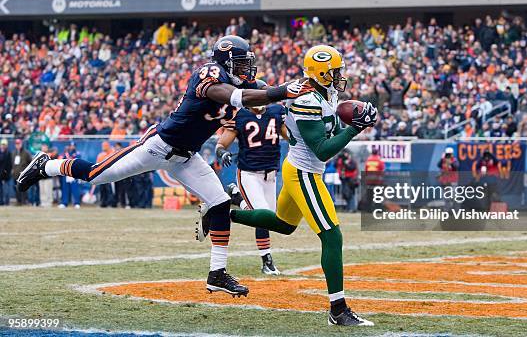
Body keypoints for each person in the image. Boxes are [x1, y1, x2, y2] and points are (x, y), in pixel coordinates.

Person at [17, 35, 314, 297]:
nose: (246, 68)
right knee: (96, 175)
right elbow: (238, 96)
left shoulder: (241, 82)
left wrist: (299, 91)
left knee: (221, 204)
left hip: (187, 157)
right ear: (225, 61)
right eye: (240, 62)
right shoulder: (209, 74)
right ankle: (47, 165)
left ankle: (217, 274)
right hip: (158, 147)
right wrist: (281, 91)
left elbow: (262, 93)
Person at [229, 45, 377, 326]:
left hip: (298, 167)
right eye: (335, 72)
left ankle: (225, 212)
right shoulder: (307, 99)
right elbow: (321, 149)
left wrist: (355, 117)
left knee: (284, 225)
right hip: (305, 172)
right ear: (321, 72)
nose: (339, 76)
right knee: (332, 237)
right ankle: (338, 310)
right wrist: (354, 128)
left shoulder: (322, 92)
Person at [216, 103, 288, 275]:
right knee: (262, 216)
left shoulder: (276, 112)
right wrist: (222, 153)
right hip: (249, 174)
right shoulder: (240, 116)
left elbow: (291, 137)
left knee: (269, 219)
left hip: (270, 175)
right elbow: (221, 144)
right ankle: (267, 261)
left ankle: (236, 198)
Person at [58, 142, 82, 209]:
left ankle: (76, 203)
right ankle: (64, 202)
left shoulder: (77, 153)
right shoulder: (65, 153)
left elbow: (77, 160)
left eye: (73, 146)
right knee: (65, 189)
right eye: (70, 146)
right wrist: (65, 153)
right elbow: (61, 159)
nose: (71, 147)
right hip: (66, 172)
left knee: (75, 189)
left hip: (74, 173)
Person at [12, 139, 32, 206]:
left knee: (23, 188)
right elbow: (12, 163)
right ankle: (19, 201)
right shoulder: (14, 153)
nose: (17, 145)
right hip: (15, 174)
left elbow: (30, 162)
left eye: (19, 144)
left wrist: (26, 171)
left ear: (21, 144)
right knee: (16, 188)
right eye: (16, 144)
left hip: (23, 174)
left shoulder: (26, 153)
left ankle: (24, 201)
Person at [96, 141, 115, 208]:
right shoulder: (100, 155)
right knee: (102, 189)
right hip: (102, 175)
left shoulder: (112, 153)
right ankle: (103, 203)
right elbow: (97, 165)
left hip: (110, 174)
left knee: (109, 189)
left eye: (105, 146)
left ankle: (111, 203)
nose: (103, 147)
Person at [0, 139, 12, 206]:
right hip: (0, 175)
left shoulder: (8, 153)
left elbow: (9, 165)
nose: (3, 146)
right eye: (2, 144)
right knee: (0, 191)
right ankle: (1, 202)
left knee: (6, 190)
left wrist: (5, 174)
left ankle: (7, 202)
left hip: (6, 176)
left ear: (6, 145)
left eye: (4, 145)